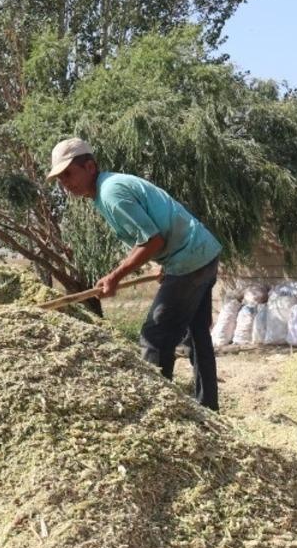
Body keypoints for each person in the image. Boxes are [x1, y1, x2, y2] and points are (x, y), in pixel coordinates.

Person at [48, 137, 222, 410]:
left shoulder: (111, 193)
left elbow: (152, 241)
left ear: (90, 166)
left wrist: (115, 276)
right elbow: (161, 228)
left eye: (68, 173)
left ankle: (156, 411)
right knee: (197, 335)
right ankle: (208, 407)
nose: (65, 183)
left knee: (154, 338)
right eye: (59, 179)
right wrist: (164, 261)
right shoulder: (109, 188)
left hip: (189, 261)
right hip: (203, 253)